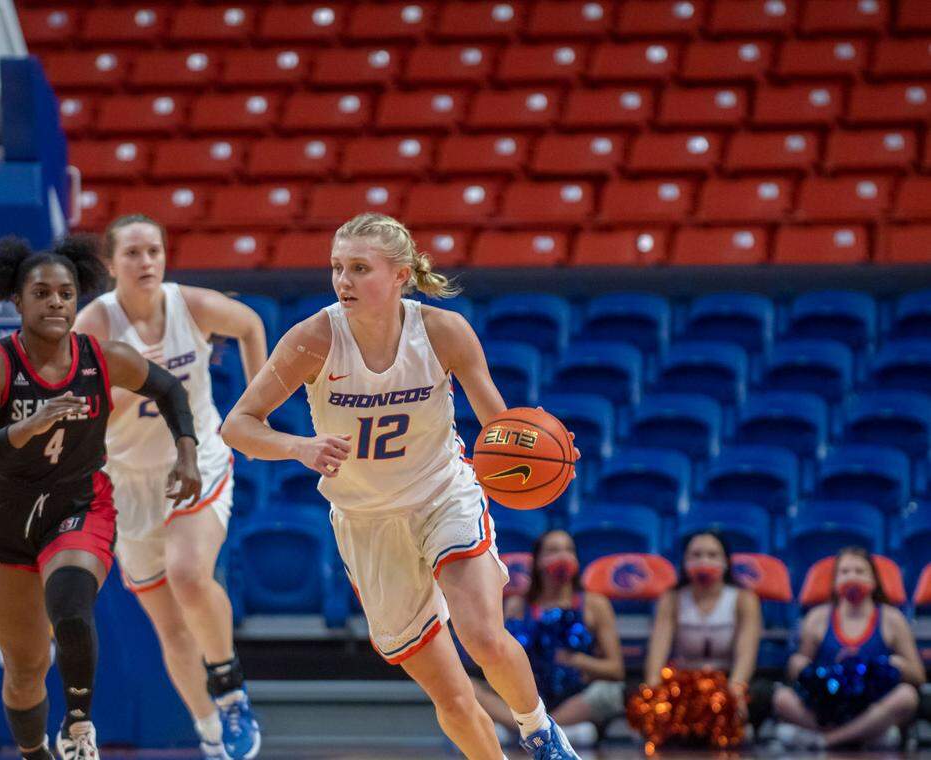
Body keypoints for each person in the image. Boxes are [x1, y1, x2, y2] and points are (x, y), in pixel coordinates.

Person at [221, 213, 582, 760]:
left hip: (442, 495)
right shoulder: (314, 339)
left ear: (400, 275)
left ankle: (541, 733)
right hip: (366, 522)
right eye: (337, 267)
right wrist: (299, 447)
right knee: (452, 696)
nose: (343, 281)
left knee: (482, 636)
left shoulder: (442, 332)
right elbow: (238, 425)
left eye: (359, 268)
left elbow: (500, 427)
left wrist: (541, 454)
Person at [0, 235, 202, 760]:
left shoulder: (104, 358)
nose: (56, 303)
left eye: (66, 294)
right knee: (25, 669)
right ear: (17, 300)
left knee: (70, 603)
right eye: (41, 293)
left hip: (80, 505)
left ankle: (79, 726)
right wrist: (24, 429)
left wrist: (186, 451)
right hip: (8, 519)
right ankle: (35, 753)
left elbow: (170, 389)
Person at [73, 214, 266, 760]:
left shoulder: (191, 306)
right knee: (171, 629)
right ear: (111, 264)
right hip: (128, 482)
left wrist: (255, 411)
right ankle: (209, 730)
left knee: (188, 574)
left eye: (154, 251)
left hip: (195, 459)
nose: (146, 262)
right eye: (133, 253)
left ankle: (231, 691)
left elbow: (250, 324)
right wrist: (131, 389)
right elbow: (80, 415)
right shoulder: (94, 325)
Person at [473, 531, 625, 748]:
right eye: (553, 551)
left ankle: (530, 733)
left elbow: (616, 669)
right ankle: (547, 733)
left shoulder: (594, 604)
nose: (563, 556)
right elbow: (498, 658)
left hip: (574, 698)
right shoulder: (517, 605)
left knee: (611, 692)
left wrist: (577, 661)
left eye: (569, 550)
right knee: (469, 687)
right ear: (537, 562)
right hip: (525, 698)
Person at [772, 546, 925, 749]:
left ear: (874, 581)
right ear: (835, 581)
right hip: (827, 705)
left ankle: (826, 740)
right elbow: (799, 673)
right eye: (844, 572)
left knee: (907, 696)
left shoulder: (892, 618)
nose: (852, 577)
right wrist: (800, 667)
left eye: (860, 571)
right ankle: (857, 737)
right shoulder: (817, 618)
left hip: (872, 704)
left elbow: (918, 676)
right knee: (781, 698)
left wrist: (898, 665)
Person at [633, 531, 765, 749]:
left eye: (712, 555)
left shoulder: (744, 599)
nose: (704, 561)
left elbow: (746, 654)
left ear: (726, 562)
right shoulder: (672, 598)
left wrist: (735, 692)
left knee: (763, 698)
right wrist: (653, 693)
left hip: (727, 682)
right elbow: (657, 651)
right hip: (682, 684)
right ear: (685, 562)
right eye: (696, 555)